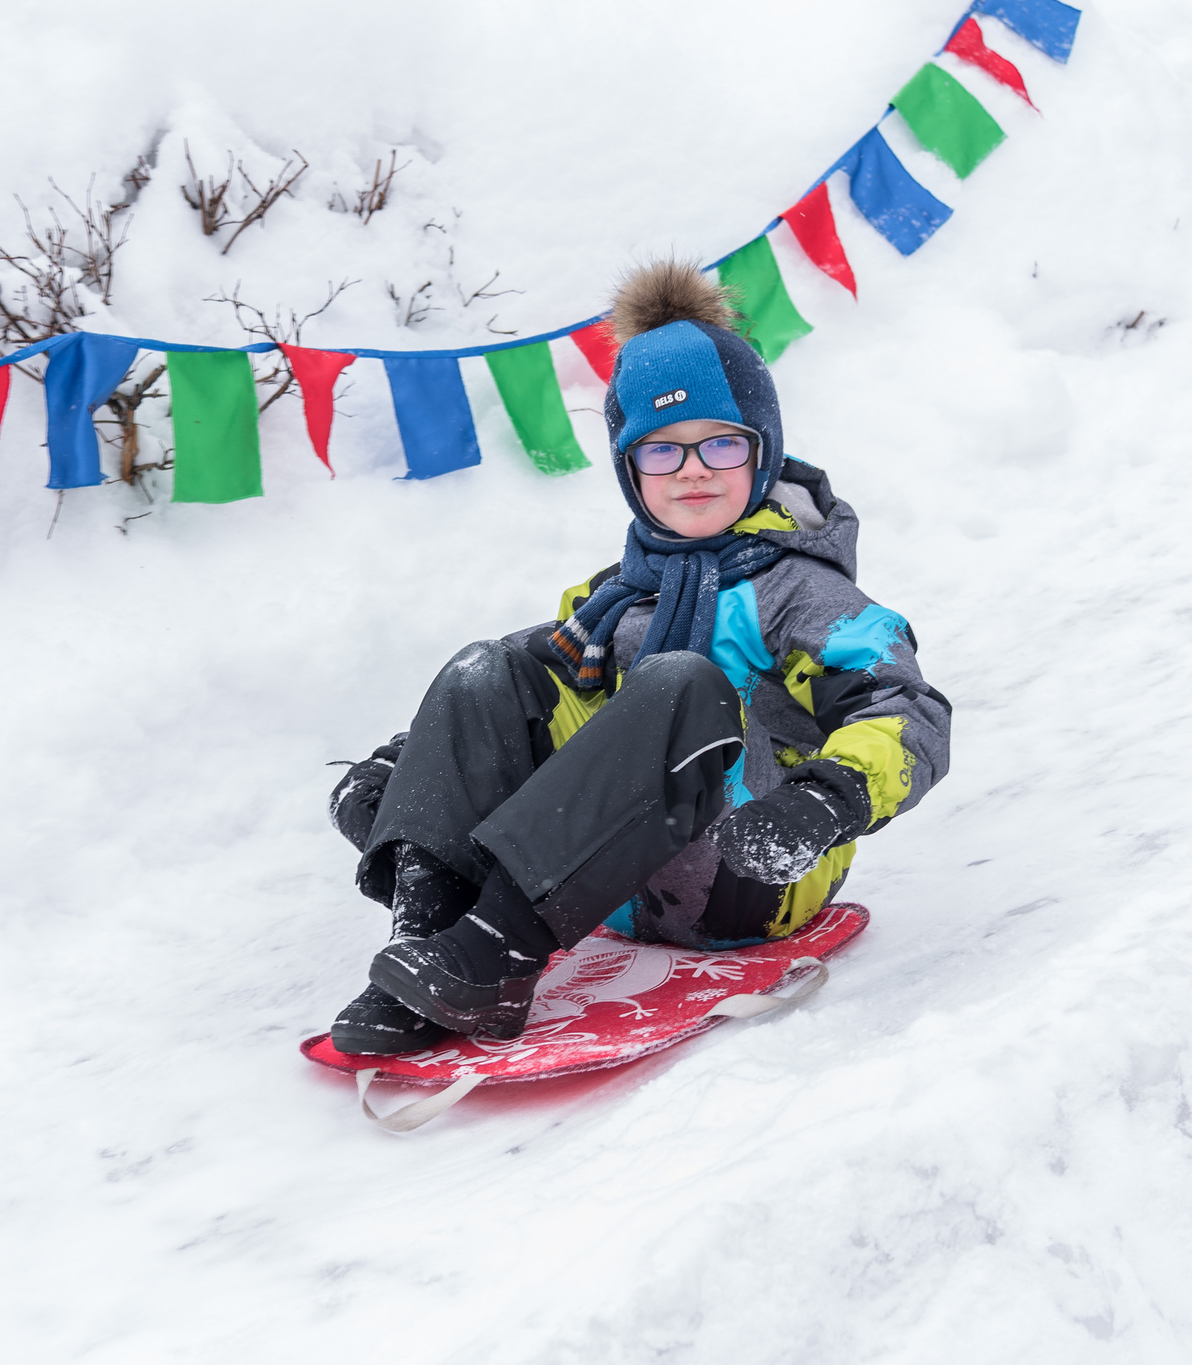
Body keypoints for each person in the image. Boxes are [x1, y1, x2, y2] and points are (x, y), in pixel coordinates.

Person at [323, 259, 952, 1052]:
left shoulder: (802, 592)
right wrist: (408, 771)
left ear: (762, 453)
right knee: (491, 667)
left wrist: (820, 803)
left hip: (747, 877)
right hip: (604, 883)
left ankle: (499, 952)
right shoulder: (611, 597)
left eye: (720, 444)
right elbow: (523, 713)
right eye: (662, 451)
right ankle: (428, 941)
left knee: (681, 683)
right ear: (630, 469)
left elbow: (909, 709)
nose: (692, 469)